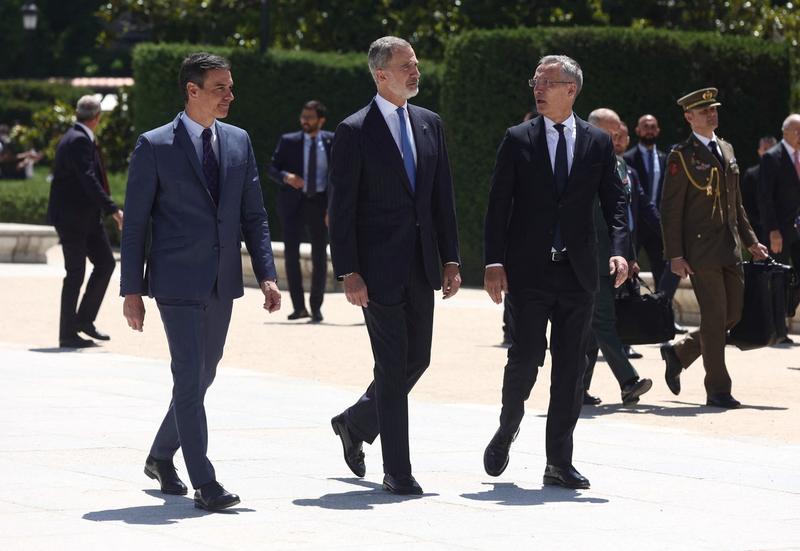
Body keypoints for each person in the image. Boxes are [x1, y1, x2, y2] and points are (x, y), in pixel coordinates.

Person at [120, 52, 281, 512]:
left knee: (203, 375)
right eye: (220, 88)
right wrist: (132, 290)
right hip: (174, 281)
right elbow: (135, 225)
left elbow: (255, 215)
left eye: (230, 87)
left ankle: (158, 455)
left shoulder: (239, 141)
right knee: (189, 376)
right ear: (192, 91)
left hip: (223, 280)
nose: (230, 95)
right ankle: (205, 483)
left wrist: (267, 275)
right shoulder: (153, 146)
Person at [482, 55, 629, 489]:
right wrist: (493, 262)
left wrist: (620, 251)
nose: (538, 89)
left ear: (572, 89)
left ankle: (558, 462)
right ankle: (508, 427)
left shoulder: (597, 143)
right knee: (525, 358)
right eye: (536, 81)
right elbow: (497, 207)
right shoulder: (517, 139)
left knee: (571, 369)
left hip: (578, 274)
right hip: (529, 274)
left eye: (548, 82)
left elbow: (616, 203)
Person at [327, 36, 461, 496]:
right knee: (390, 364)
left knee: (415, 359)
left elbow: (442, 198)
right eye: (406, 66)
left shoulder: (430, 123)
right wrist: (348, 271)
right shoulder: (354, 130)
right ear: (381, 75)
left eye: (416, 64)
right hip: (376, 271)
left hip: (422, 265)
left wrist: (451, 258)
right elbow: (340, 208)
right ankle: (397, 470)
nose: (415, 72)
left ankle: (356, 421)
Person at [659, 87, 768, 409]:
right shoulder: (681, 155)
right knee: (715, 315)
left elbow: (737, 205)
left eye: (714, 109)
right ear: (689, 116)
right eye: (704, 110)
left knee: (732, 315)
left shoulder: (728, 149)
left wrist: (751, 242)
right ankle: (718, 389)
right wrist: (675, 255)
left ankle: (680, 352)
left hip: (730, 248)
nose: (712, 114)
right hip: (700, 250)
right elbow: (671, 209)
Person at [582, 111, 655, 407]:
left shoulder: (620, 165)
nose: (616, 139)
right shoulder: (583, 164)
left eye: (618, 133)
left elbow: (624, 218)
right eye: (611, 133)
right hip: (592, 257)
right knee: (603, 321)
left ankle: (578, 388)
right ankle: (628, 380)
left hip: (615, 257)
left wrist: (629, 255)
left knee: (590, 330)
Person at [47, 95, 123, 348]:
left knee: (105, 263)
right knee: (75, 273)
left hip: (86, 217)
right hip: (73, 218)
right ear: (97, 118)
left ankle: (83, 321)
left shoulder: (75, 137)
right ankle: (67, 334)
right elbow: (88, 178)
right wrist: (113, 209)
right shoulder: (78, 140)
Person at [267, 100, 333, 322]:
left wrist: (331, 208)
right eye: (303, 116)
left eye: (310, 117)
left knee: (319, 258)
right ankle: (298, 307)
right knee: (291, 257)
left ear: (321, 120)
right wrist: (287, 177)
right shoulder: (289, 141)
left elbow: (338, 178)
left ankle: (316, 307)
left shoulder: (332, 141)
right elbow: (272, 169)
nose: (305, 120)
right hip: (292, 205)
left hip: (319, 205)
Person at [623, 114, 685, 332]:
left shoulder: (665, 158)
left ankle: (664, 319)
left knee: (666, 272)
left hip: (659, 226)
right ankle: (629, 320)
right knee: (628, 273)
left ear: (658, 131)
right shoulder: (628, 159)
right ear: (638, 131)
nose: (649, 130)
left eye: (652, 127)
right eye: (645, 127)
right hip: (636, 226)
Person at [759, 115, 800, 268]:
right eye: (798, 132)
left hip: (798, 229)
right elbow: (765, 198)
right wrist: (773, 230)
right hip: (780, 232)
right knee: (778, 279)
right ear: (785, 132)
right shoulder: (772, 157)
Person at [741, 136, 777, 243]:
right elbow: (747, 205)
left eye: (772, 149)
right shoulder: (751, 175)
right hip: (760, 230)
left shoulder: (785, 174)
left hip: (784, 229)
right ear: (759, 151)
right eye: (765, 149)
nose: (769, 152)